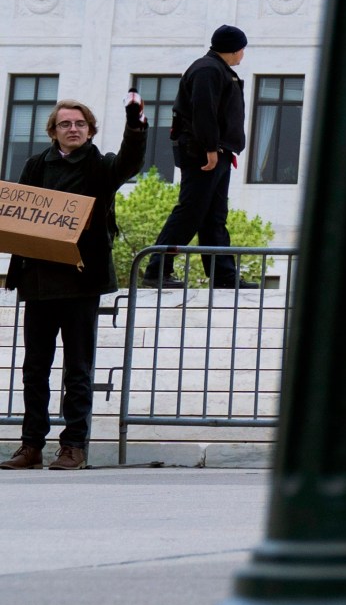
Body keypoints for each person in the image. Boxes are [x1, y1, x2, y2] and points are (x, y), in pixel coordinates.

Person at [5, 94, 148, 471]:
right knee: (34, 367)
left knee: (78, 368)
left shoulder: (101, 166)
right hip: (38, 280)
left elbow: (131, 162)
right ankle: (31, 445)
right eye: (66, 124)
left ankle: (73, 446)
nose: (73, 129)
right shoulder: (36, 165)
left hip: (81, 281)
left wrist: (135, 125)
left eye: (80, 124)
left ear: (90, 130)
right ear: (53, 131)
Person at [145, 24, 248, 289]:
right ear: (236, 49)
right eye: (242, 49)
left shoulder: (218, 70)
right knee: (190, 210)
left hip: (217, 151)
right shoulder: (207, 69)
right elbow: (204, 111)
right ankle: (157, 269)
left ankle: (223, 275)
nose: (243, 55)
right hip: (203, 152)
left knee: (214, 214)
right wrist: (211, 149)